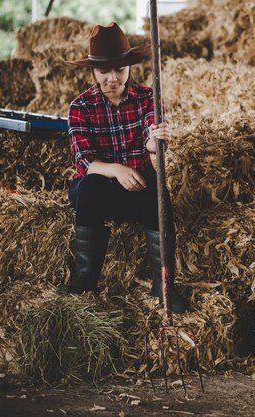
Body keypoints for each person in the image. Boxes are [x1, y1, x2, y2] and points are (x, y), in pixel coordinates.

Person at [60, 22, 188, 313]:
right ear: (93, 71)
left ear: (129, 67)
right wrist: (116, 170)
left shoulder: (148, 99)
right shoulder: (80, 106)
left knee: (159, 193)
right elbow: (84, 160)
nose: (113, 78)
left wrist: (157, 142)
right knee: (88, 187)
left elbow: (150, 141)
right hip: (98, 191)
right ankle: (85, 280)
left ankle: (164, 286)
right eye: (105, 71)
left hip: (138, 187)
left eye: (119, 69)